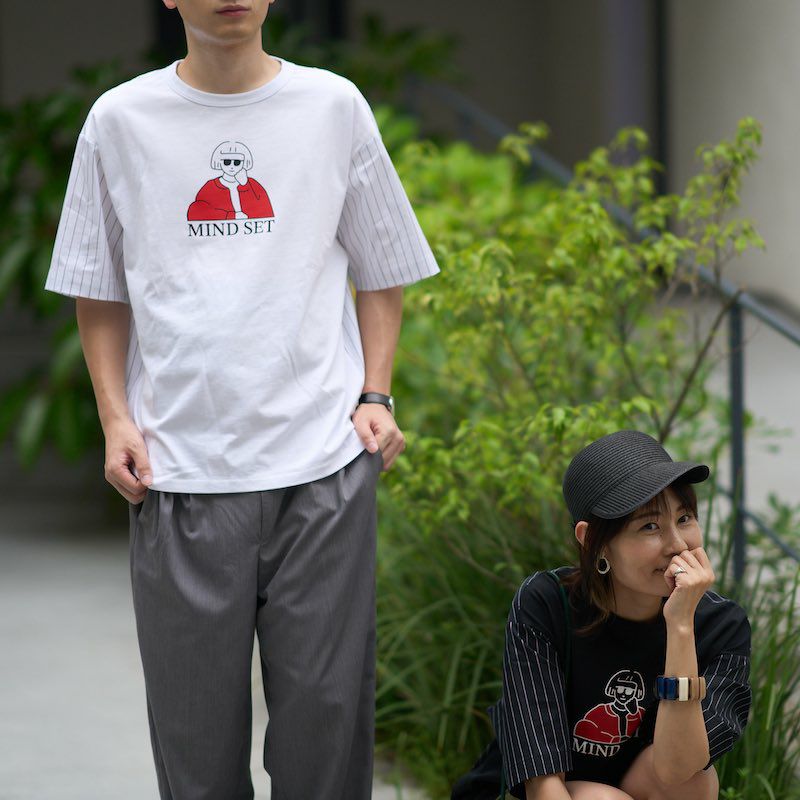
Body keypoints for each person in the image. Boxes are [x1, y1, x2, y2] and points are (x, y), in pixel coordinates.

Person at [44, 1, 439, 798]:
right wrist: (116, 418)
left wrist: (376, 392)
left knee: (326, 737)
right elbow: (98, 287)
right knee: (195, 753)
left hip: (322, 470)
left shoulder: (332, 107)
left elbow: (382, 262)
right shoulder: (120, 120)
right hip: (179, 472)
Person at [480, 430, 751, 800]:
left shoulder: (720, 625)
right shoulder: (547, 603)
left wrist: (681, 626)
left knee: (695, 781)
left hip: (640, 784)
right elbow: (542, 784)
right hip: (541, 793)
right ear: (594, 541)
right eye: (649, 526)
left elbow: (678, 769)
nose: (677, 545)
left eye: (685, 518)